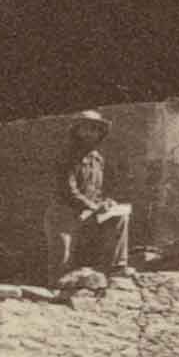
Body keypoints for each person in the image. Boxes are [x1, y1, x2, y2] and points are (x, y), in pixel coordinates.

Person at [50, 119, 131, 283]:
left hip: (88, 214)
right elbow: (68, 191)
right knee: (62, 263)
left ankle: (116, 267)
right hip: (64, 215)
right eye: (85, 129)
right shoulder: (67, 156)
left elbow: (95, 191)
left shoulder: (97, 159)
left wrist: (106, 202)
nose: (90, 133)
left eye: (95, 130)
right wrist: (94, 206)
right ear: (77, 131)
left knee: (120, 218)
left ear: (100, 134)